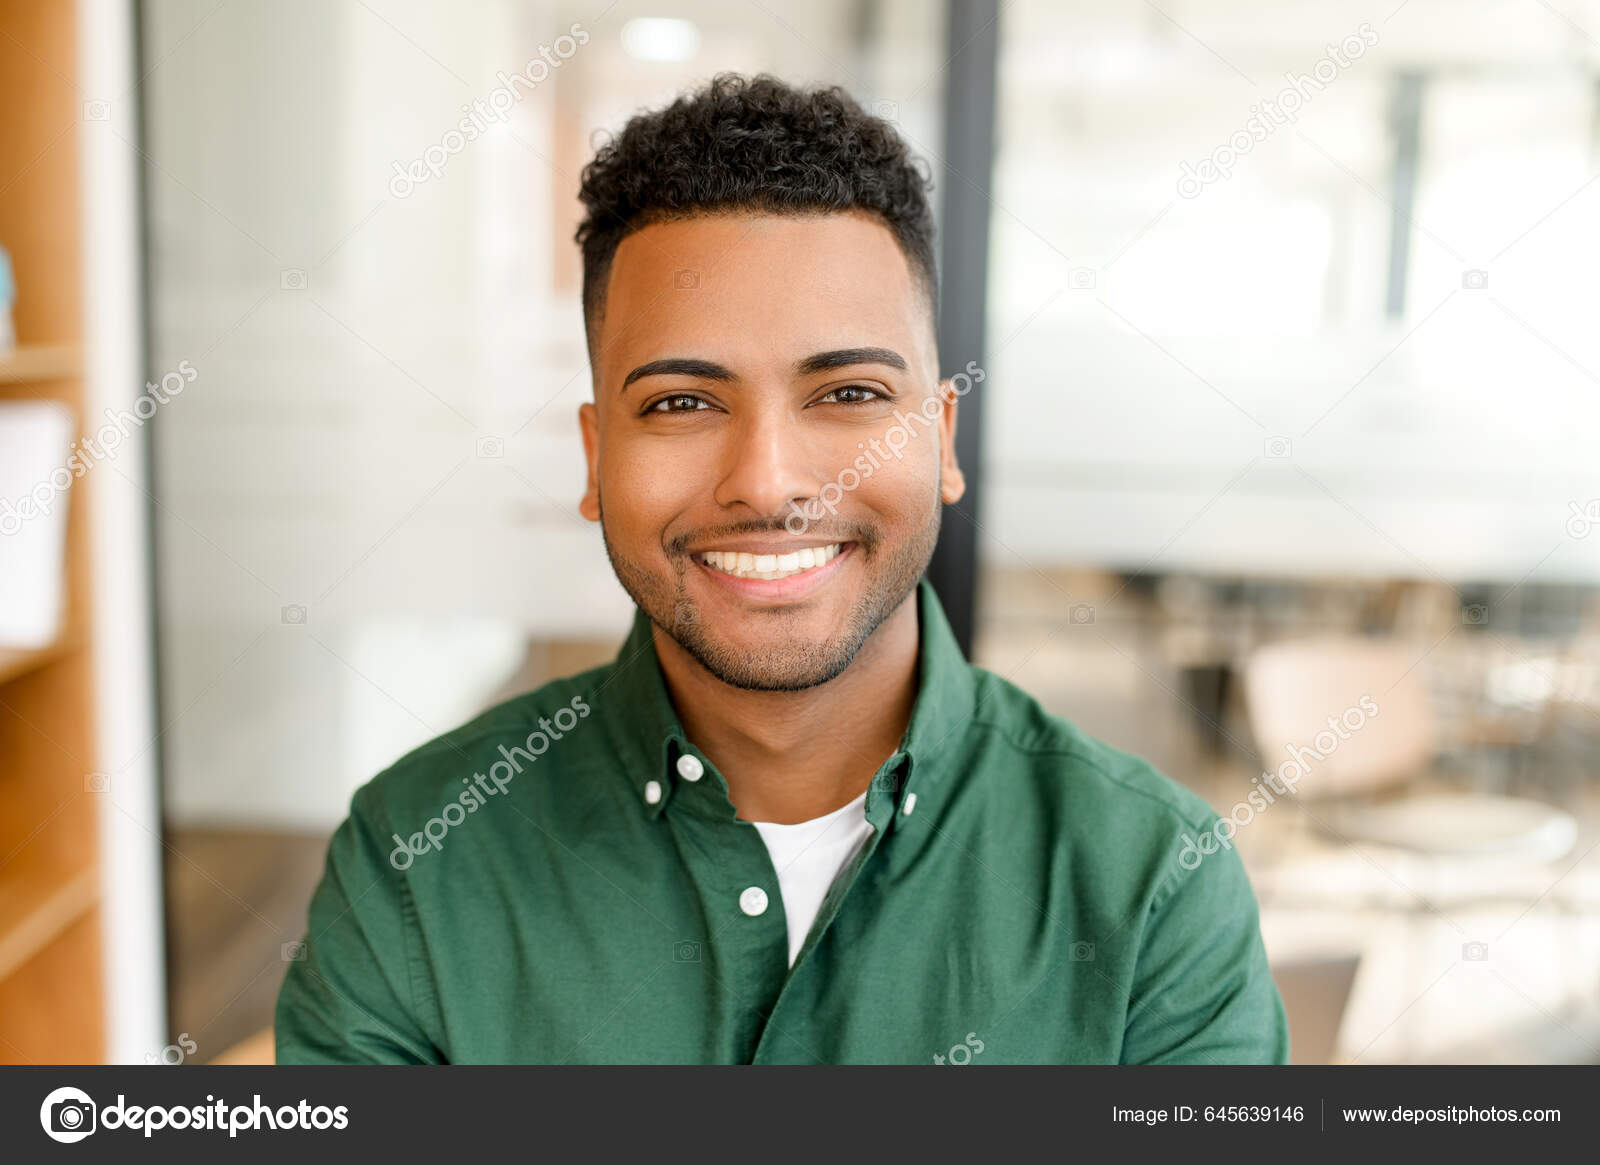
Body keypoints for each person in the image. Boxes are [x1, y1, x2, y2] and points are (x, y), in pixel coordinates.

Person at [275, 72, 1288, 1064]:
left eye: (847, 393)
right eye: (681, 402)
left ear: (939, 440)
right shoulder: (419, 860)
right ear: (593, 458)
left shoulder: (1149, 884)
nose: (766, 483)